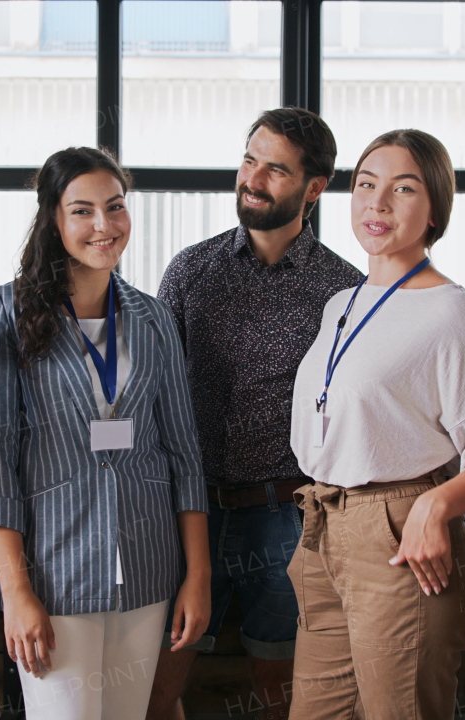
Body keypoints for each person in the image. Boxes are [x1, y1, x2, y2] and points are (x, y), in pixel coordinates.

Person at [287, 129, 465, 719]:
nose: (377, 203)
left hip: (402, 539)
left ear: (435, 210)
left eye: (402, 189)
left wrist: (436, 506)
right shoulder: (342, 303)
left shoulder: (453, 313)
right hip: (325, 529)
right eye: (366, 185)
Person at [0, 146, 210, 719]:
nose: (104, 226)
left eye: (116, 207)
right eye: (82, 211)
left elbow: (184, 455)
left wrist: (196, 577)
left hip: (149, 569)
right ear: (53, 219)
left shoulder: (153, 318)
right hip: (55, 572)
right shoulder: (6, 311)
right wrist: (15, 591)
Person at [149, 107, 363, 720]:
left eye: (275, 169)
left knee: (285, 687)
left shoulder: (342, 291)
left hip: (287, 513)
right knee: (161, 677)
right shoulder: (191, 271)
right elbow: (157, 395)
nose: (253, 178)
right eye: (250, 160)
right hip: (190, 507)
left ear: (314, 189)